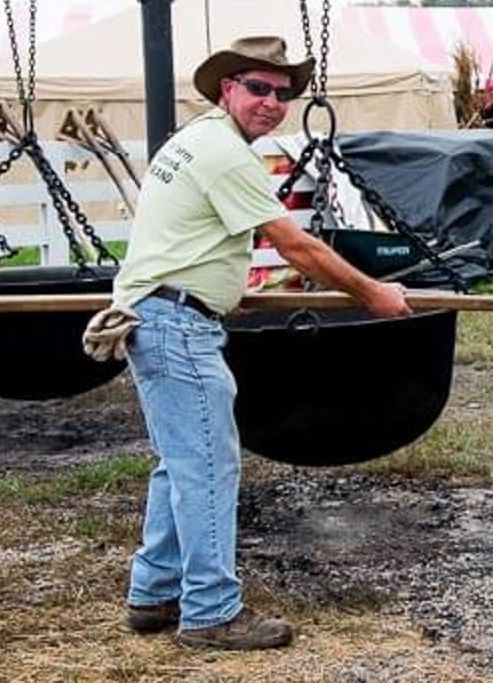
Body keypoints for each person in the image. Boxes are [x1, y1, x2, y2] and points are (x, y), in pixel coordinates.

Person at [100, 36, 411, 651]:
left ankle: (152, 592)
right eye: (258, 87)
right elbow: (297, 245)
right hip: (175, 326)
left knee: (180, 465)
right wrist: (373, 293)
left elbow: (187, 231)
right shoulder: (225, 153)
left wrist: (219, 285)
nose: (272, 102)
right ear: (228, 89)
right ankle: (212, 611)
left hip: (160, 311)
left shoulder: (194, 140)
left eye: (282, 92)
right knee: (209, 467)